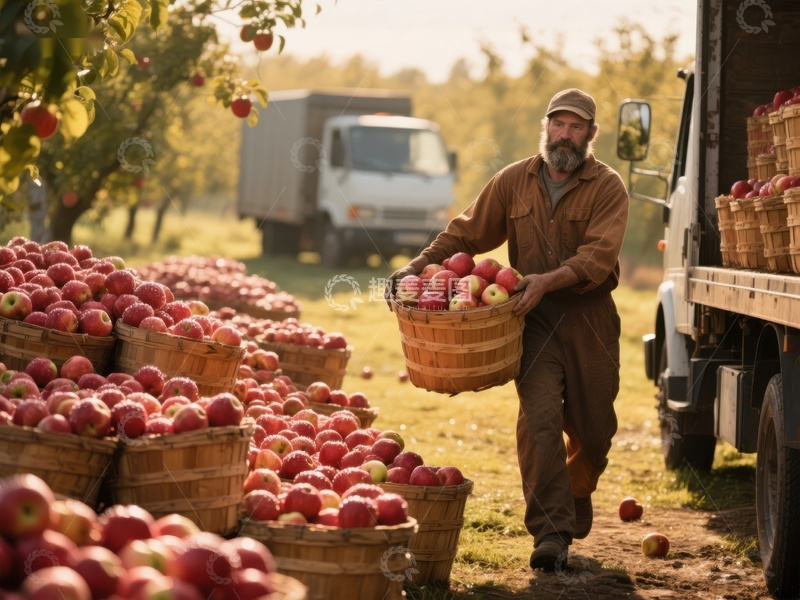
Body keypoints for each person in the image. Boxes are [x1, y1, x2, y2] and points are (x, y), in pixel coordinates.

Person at [387, 88, 628, 571]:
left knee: (595, 434)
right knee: (538, 421)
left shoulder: (608, 186)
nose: (565, 133)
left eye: (576, 126)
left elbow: (597, 258)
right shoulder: (515, 180)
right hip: (530, 321)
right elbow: (464, 233)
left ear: (590, 134)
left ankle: (578, 487)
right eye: (558, 124)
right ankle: (551, 534)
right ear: (546, 127)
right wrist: (414, 267)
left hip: (590, 321)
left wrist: (551, 280)